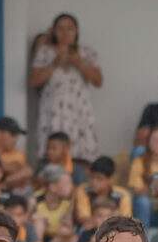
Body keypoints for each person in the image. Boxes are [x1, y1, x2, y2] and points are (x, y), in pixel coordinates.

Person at [23, 14, 102, 161]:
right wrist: (54, 63)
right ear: (53, 31)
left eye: (70, 29)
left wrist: (79, 63)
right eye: (60, 29)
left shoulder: (87, 52)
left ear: (77, 31)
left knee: (82, 157)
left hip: (79, 111)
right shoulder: (45, 52)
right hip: (53, 112)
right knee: (52, 156)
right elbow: (33, 81)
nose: (65, 33)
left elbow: (98, 81)